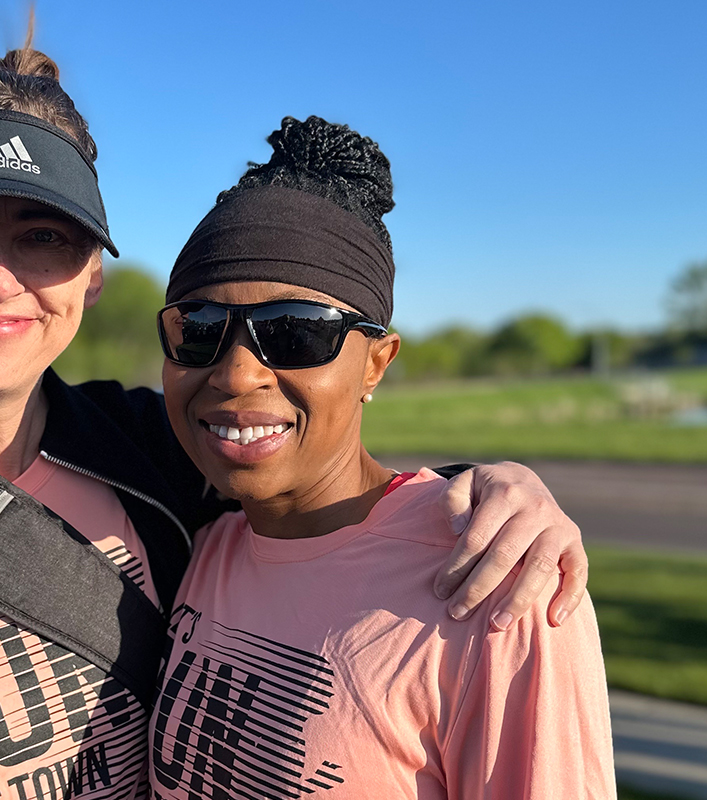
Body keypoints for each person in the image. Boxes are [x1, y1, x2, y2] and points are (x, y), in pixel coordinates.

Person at [0, 40, 590, 800]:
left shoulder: (158, 461)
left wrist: (494, 484)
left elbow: (324, 487)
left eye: (44, 237)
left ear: (92, 281)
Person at [150, 116, 615, 799]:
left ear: (376, 363)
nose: (235, 373)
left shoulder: (498, 585)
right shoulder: (197, 539)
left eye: (294, 333)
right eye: (199, 330)